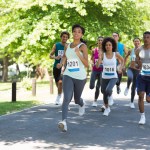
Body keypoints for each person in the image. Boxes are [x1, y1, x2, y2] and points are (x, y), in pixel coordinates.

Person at [58, 24, 88, 132]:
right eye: (74, 31)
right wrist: (61, 64)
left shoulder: (83, 46)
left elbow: (86, 64)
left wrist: (78, 53)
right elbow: (66, 56)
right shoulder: (67, 45)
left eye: (79, 32)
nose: (76, 33)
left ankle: (82, 103)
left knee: (76, 99)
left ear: (81, 34)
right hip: (68, 74)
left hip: (80, 77)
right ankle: (64, 122)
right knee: (66, 98)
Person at [96, 37, 124, 116]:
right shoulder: (103, 55)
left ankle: (110, 96)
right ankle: (107, 108)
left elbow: (122, 60)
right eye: (106, 45)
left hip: (113, 77)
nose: (108, 46)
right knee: (104, 93)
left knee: (108, 90)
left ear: (112, 46)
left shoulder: (116, 54)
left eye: (109, 45)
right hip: (104, 77)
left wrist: (120, 68)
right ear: (104, 46)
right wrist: (99, 58)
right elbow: (97, 66)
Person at [49, 31, 70, 105]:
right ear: (61, 37)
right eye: (63, 36)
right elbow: (50, 55)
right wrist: (55, 56)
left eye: (66, 37)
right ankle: (60, 94)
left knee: (61, 83)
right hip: (56, 67)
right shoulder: (56, 45)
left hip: (65, 67)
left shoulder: (68, 46)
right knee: (58, 84)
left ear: (68, 38)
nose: (65, 38)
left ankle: (60, 98)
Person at [135, 31, 150, 125]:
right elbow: (136, 64)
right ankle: (142, 116)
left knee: (148, 99)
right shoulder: (138, 50)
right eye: (144, 37)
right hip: (142, 76)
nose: (146, 39)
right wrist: (138, 64)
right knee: (141, 95)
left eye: (148, 37)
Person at [124, 38, 141, 108]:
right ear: (133, 42)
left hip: (138, 70)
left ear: (140, 42)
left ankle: (131, 102)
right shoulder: (131, 50)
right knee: (130, 77)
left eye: (138, 41)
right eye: (135, 41)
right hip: (130, 68)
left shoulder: (142, 50)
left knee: (134, 87)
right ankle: (127, 87)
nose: (136, 42)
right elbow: (125, 57)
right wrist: (123, 66)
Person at [89, 36, 103, 107]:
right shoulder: (94, 50)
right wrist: (91, 62)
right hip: (94, 69)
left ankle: (95, 101)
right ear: (97, 41)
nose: (100, 41)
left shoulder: (105, 51)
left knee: (98, 86)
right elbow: (91, 59)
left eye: (101, 40)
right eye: (99, 40)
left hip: (102, 70)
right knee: (91, 86)